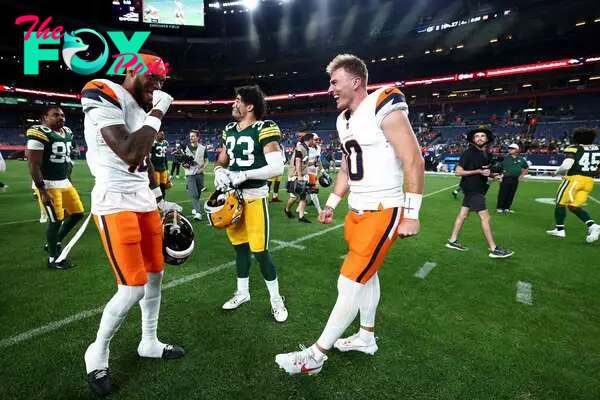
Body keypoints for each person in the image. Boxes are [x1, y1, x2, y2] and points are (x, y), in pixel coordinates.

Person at [275, 54, 424, 375]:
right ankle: (366, 336)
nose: (330, 89)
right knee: (366, 276)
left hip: (384, 209)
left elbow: (414, 158)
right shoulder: (344, 120)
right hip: (358, 210)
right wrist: (331, 204)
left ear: (356, 81)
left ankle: (315, 356)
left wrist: (412, 214)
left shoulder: (384, 101)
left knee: (349, 281)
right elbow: (346, 167)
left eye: (334, 81)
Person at [81, 50, 185, 396]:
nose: (156, 88)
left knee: (156, 273)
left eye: (160, 82)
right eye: (152, 80)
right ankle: (97, 351)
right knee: (132, 287)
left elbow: (147, 162)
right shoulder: (101, 91)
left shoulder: (142, 107)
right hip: (114, 202)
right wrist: (157, 112)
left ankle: (149, 341)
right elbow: (129, 152)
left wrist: (158, 198)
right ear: (130, 71)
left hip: (142, 200)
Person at [212, 85, 288, 322]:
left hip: (254, 197)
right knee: (240, 249)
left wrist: (244, 175)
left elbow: (277, 167)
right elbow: (222, 159)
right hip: (232, 199)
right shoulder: (229, 130)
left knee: (260, 251)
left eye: (237, 100)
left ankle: (276, 299)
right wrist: (217, 170)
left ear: (250, 106)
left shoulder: (264, 128)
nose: (233, 104)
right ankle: (242, 292)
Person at [26, 106, 85, 269]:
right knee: (55, 220)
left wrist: (70, 180)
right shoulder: (39, 133)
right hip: (48, 184)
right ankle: (53, 258)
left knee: (78, 213)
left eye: (63, 115)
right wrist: (42, 190)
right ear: (45, 118)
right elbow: (33, 164)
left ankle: (55, 241)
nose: (61, 118)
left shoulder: (67, 132)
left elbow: (67, 161)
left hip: (64, 182)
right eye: (56, 115)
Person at [446, 128, 514, 258]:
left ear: (487, 139)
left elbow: (485, 172)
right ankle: (494, 249)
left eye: (482, 136)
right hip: (473, 189)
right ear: (473, 140)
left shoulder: (486, 154)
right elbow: (458, 172)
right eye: (477, 136)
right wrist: (477, 171)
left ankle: (452, 241)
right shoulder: (469, 153)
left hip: (478, 188)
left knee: (462, 216)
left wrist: (494, 176)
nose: (480, 138)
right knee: (485, 217)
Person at [546, 128, 600, 243]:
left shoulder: (574, 148)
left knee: (560, 202)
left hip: (574, 180)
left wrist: (556, 173)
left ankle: (560, 229)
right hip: (589, 181)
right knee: (573, 206)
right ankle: (593, 225)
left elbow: (566, 165)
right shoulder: (598, 148)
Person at [284, 133, 314, 223]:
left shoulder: (305, 148)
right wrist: (300, 176)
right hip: (295, 175)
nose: (314, 141)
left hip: (302, 175)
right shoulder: (300, 147)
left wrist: (313, 162)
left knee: (303, 196)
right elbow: (297, 162)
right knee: (294, 197)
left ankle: (301, 217)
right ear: (309, 139)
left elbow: (304, 163)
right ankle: (287, 209)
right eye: (313, 139)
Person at [183, 130, 208, 221]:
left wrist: (202, 169)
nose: (191, 137)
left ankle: (195, 208)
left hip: (200, 173)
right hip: (189, 173)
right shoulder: (186, 147)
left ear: (198, 137)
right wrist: (184, 165)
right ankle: (198, 213)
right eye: (190, 136)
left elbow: (206, 161)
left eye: (193, 136)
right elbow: (183, 161)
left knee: (198, 193)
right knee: (194, 194)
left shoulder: (203, 148)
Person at [496, 143, 528, 213]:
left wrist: (521, 176)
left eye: (512, 148)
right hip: (505, 178)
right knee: (503, 193)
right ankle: (500, 207)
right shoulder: (505, 158)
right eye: (509, 148)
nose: (509, 149)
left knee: (511, 193)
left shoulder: (521, 159)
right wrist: (499, 176)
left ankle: (507, 207)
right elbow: (498, 168)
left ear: (517, 150)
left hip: (515, 179)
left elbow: (526, 168)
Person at [150, 130, 171, 199]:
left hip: (163, 168)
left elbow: (165, 157)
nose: (163, 136)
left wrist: (167, 168)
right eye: (161, 134)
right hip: (155, 169)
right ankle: (155, 200)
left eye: (163, 134)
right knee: (156, 186)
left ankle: (163, 200)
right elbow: (149, 156)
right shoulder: (153, 143)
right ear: (156, 135)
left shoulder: (165, 143)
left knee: (163, 186)